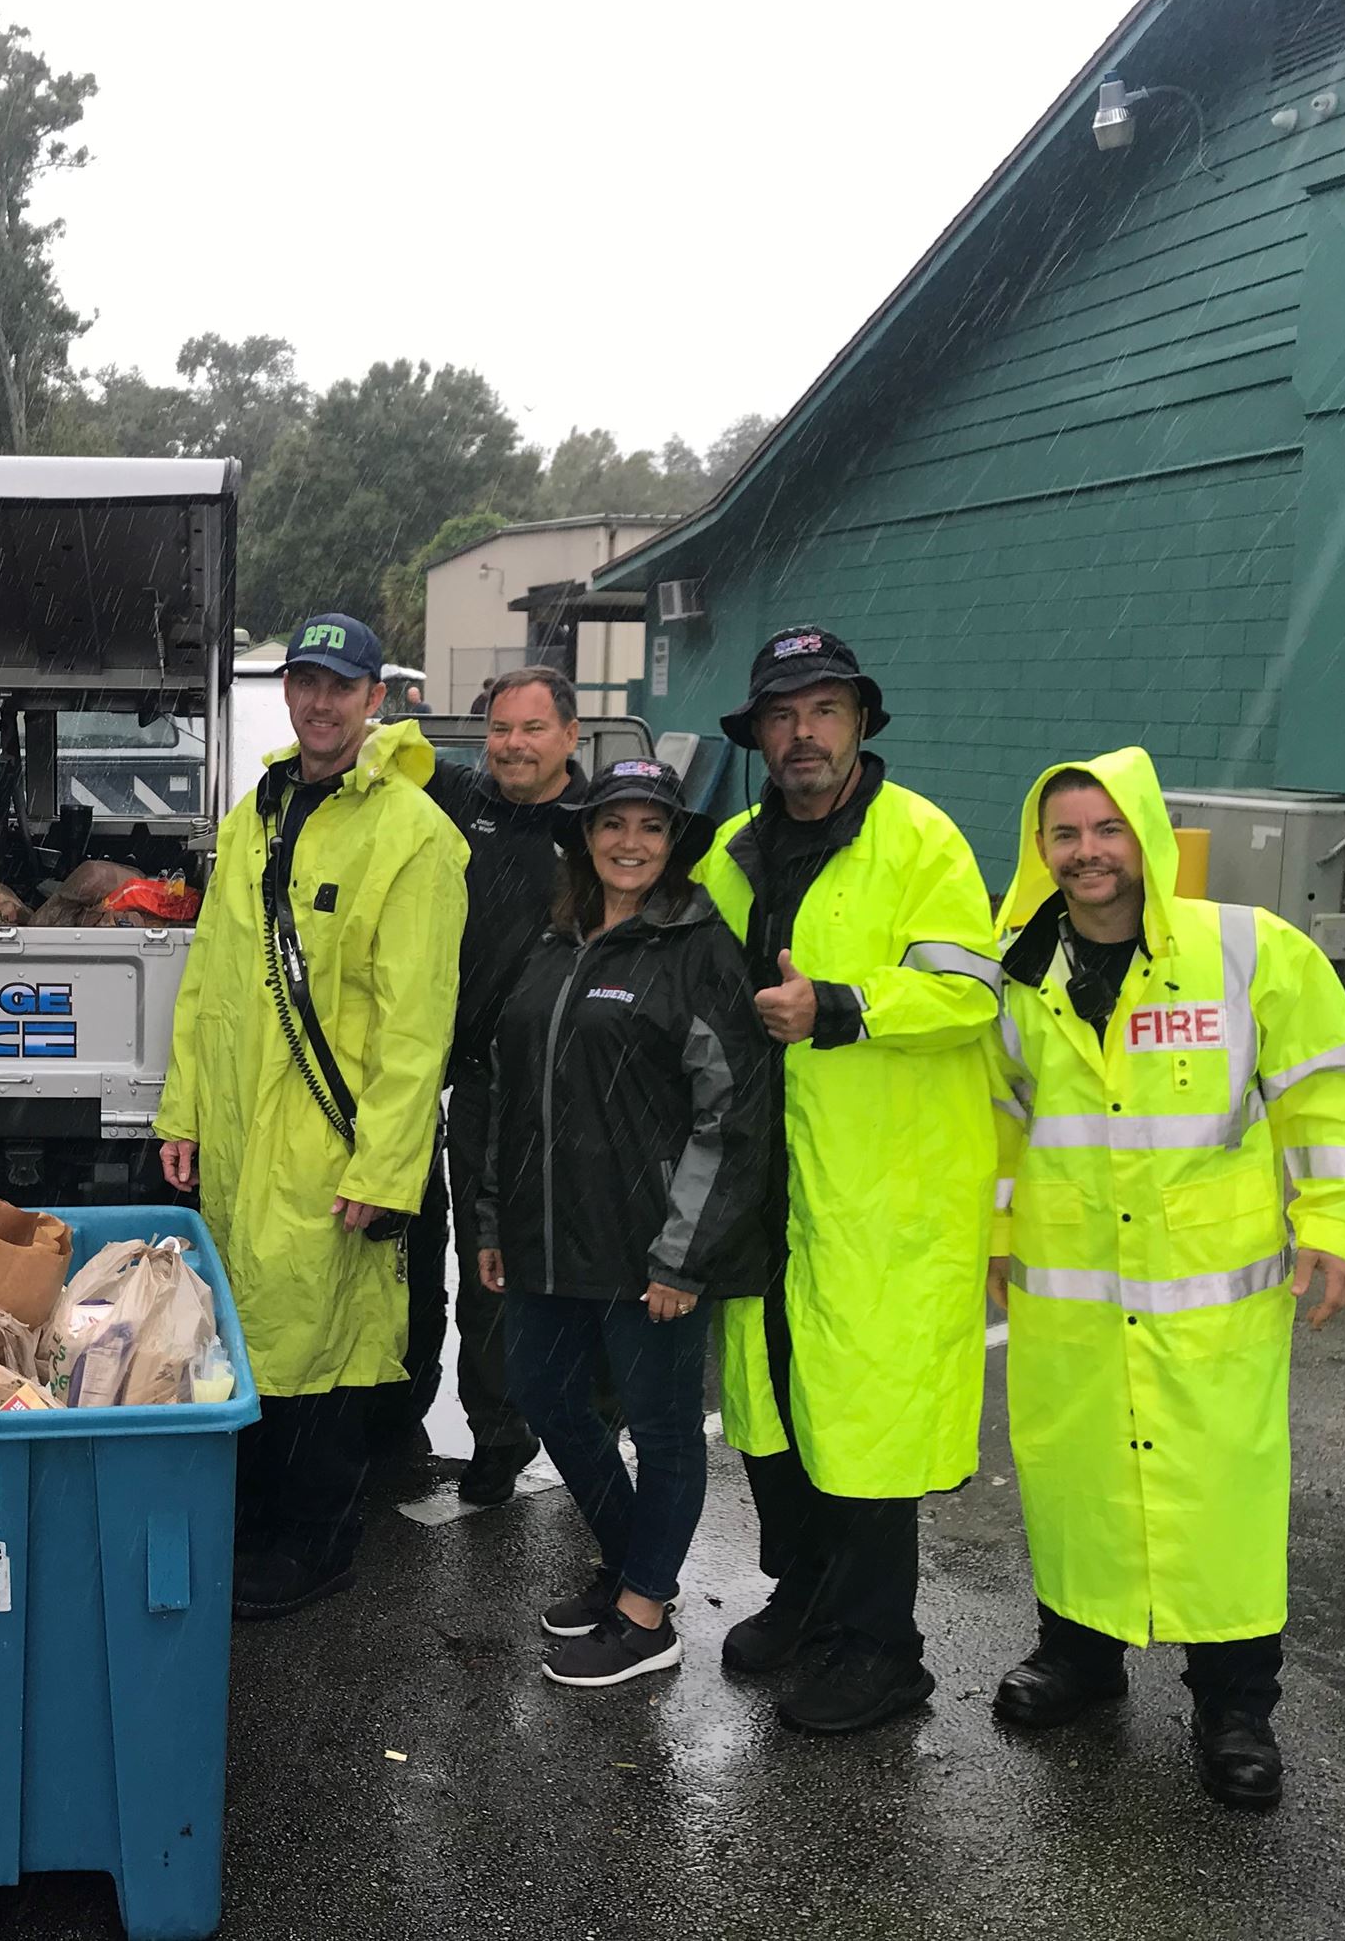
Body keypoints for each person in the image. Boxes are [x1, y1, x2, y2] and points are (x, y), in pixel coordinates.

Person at [984, 747, 1345, 1810]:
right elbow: (995, 1121)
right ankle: (1078, 1656)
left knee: (1220, 1498)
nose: (1086, 853)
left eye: (1105, 830)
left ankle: (1233, 1707)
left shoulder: (1250, 952)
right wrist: (992, 1234)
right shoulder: (1015, 974)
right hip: (1068, 1292)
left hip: (1211, 1301)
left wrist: (1336, 1223)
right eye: (1064, 834)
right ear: (1041, 851)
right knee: (1075, 1482)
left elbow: (1326, 1097)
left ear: (1146, 838)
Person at [697, 625, 1000, 1734]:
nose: (801, 734)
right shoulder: (731, 848)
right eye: (781, 716)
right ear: (759, 736)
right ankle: (806, 1593)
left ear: (859, 722)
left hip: (879, 1195)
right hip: (762, 1181)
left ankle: (883, 1650)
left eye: (823, 710)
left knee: (864, 1424)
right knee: (774, 1405)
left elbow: (971, 998)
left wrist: (839, 1004)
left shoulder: (920, 841)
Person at [155, 612, 466, 1620]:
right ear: (286, 692)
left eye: (340, 685)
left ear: (375, 699)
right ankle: (256, 1524)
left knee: (325, 1354)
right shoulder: (258, 813)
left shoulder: (413, 835)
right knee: (249, 1337)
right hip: (244, 1146)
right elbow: (207, 977)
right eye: (304, 682)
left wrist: (384, 1172)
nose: (319, 702)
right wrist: (182, 1114)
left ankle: (319, 1544)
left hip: (333, 1150)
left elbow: (416, 1029)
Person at [473, 759, 778, 1687]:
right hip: (543, 1237)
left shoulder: (698, 951)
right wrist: (491, 1217)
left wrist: (684, 1257)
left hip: (650, 1248)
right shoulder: (554, 940)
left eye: (651, 826)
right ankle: (632, 1564)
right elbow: (505, 1086)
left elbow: (733, 1114)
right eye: (613, 825)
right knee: (542, 1391)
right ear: (586, 838)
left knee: (665, 1427)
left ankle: (647, 1617)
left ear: (674, 842)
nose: (630, 843)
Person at [394, 664, 592, 1504]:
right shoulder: (457, 797)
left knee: (584, 1263)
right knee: (479, 1273)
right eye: (501, 729)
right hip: (467, 1078)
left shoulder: (596, 827)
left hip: (570, 1086)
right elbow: (382, 746)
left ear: (570, 738)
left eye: (533, 730)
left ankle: (598, 1436)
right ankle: (494, 1436)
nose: (513, 745)